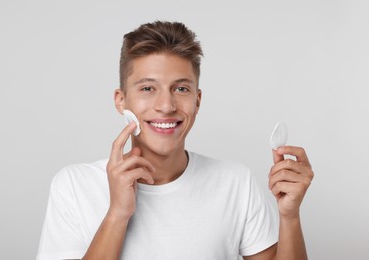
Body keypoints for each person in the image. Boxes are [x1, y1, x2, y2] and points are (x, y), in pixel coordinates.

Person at [37, 21, 314, 260]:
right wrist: (118, 214)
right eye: (148, 88)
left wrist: (289, 217)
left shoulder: (235, 182)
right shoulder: (73, 186)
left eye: (181, 88)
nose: (166, 105)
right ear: (121, 101)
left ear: (197, 100)